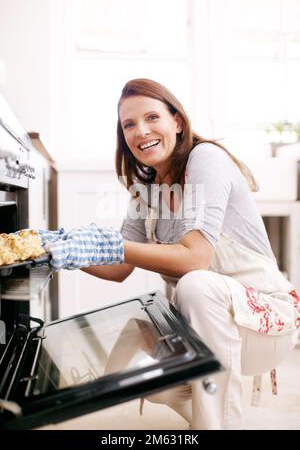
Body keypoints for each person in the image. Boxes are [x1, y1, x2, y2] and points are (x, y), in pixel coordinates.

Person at [40, 78, 300, 430]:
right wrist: (56, 249)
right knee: (138, 330)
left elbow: (196, 259)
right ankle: (96, 410)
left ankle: (217, 424)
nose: (140, 131)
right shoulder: (147, 190)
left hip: (264, 323)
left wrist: (106, 243)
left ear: (176, 121)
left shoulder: (205, 160)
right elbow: (119, 268)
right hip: (208, 326)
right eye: (129, 124)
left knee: (195, 284)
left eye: (152, 117)